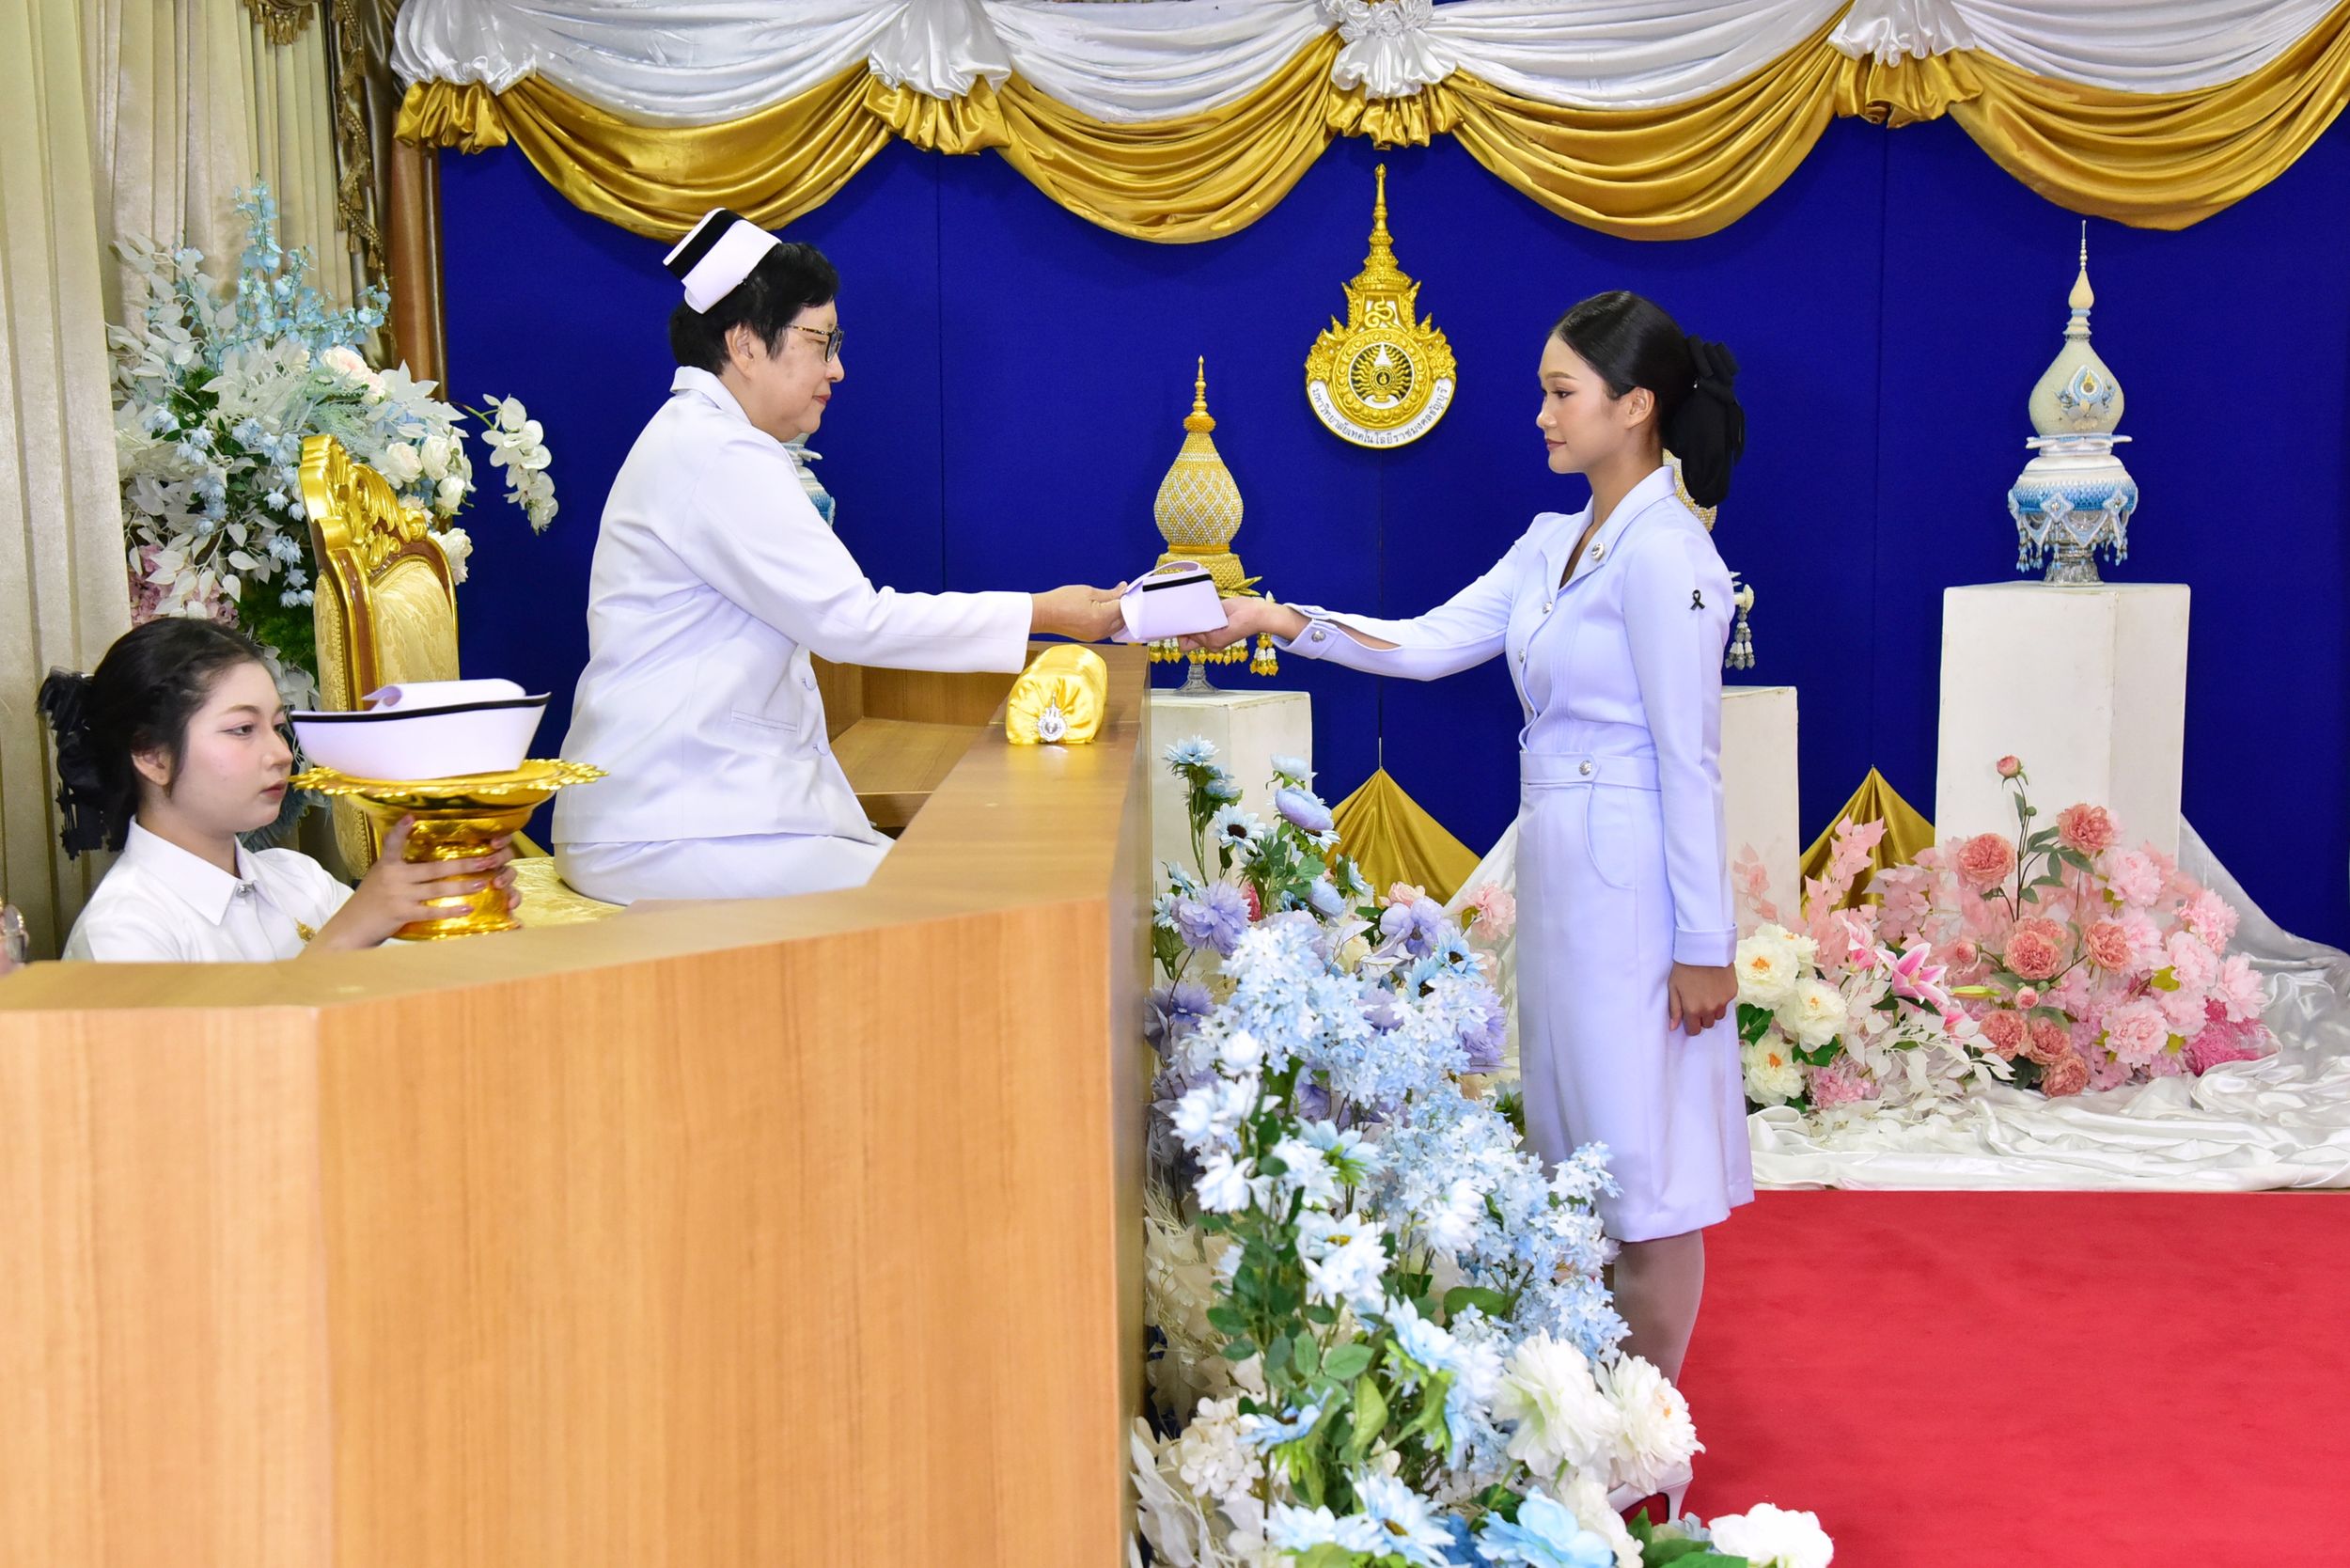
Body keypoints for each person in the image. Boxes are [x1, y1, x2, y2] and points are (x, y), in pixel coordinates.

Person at [1188, 291, 1749, 1395]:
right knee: (1577, 1153)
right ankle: (1582, 1410)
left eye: (1561, 392)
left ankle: (1646, 1433)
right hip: (1564, 868)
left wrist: (1704, 942)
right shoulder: (1549, 543)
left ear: (1635, 406)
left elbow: (1691, 758)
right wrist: (1276, 619)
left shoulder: (1669, 553)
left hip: (1638, 885)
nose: (1541, 414)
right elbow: (1424, 644)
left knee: (1644, 1170)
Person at [554, 210, 1125, 903]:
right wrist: (1045, 612)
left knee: (944, 891)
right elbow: (853, 622)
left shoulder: (701, 438)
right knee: (952, 907)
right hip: (677, 815)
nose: (837, 368)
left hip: (693, 809)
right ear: (745, 344)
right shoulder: (718, 452)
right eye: (820, 341)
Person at [39, 618, 518, 962]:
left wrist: (454, 905)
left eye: (276, 726)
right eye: (242, 730)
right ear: (151, 755)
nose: (281, 754)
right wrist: (347, 934)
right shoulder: (123, 932)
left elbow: (406, 992)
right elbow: (210, 1072)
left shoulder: (298, 878)